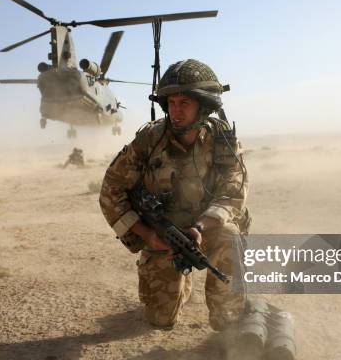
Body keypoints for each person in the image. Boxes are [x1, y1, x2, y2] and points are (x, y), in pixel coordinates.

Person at [99, 59, 249, 331]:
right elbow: (112, 188)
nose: (176, 112)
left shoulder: (222, 140)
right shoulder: (150, 139)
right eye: (171, 103)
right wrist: (149, 235)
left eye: (184, 104)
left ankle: (227, 320)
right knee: (161, 321)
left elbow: (233, 192)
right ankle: (180, 283)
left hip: (207, 228)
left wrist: (201, 227)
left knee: (230, 235)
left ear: (203, 106)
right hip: (161, 237)